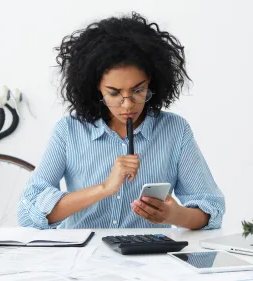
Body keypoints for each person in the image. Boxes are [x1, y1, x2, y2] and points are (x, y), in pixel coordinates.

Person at [17, 12, 225, 230]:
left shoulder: (175, 130)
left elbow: (211, 210)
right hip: (84, 259)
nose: (128, 105)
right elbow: (28, 213)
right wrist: (105, 188)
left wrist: (175, 216)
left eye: (138, 90)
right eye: (114, 93)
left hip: (149, 259)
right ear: (96, 86)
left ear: (152, 82)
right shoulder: (69, 131)